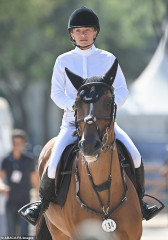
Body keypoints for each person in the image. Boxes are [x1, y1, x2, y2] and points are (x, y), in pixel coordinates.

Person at [19, 6, 160, 225]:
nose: (82, 34)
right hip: (72, 124)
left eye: (87, 30)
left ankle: (140, 202)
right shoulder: (63, 61)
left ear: (95, 32)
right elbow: (56, 94)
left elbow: (122, 90)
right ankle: (42, 204)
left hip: (105, 124)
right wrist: (75, 107)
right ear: (71, 34)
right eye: (78, 31)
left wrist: (110, 107)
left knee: (135, 155)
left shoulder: (108, 59)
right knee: (54, 161)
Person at [0, 129, 39, 236]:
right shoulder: (6, 159)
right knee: (11, 233)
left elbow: (34, 180)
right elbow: (0, 177)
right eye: (14, 143)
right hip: (10, 201)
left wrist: (39, 199)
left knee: (24, 232)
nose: (16, 145)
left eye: (18, 143)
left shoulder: (29, 159)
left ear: (23, 144)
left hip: (25, 202)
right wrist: (2, 186)